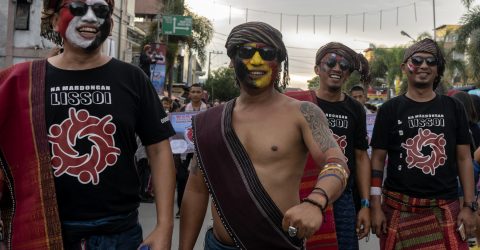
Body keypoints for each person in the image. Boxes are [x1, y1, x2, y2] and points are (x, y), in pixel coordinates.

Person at [0, 0, 177, 248]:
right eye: (78, 8)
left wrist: (165, 226)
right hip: (45, 233)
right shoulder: (20, 82)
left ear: (110, 22)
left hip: (119, 234)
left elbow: (159, 150)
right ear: (54, 19)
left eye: (101, 10)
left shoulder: (133, 78)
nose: (91, 18)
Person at [179, 21, 349, 249]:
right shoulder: (210, 122)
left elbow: (337, 163)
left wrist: (315, 201)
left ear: (278, 63)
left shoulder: (303, 113)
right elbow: (196, 189)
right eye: (246, 52)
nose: (257, 61)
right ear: (232, 60)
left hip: (276, 242)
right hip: (218, 245)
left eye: (267, 53)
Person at [370, 38, 477, 250]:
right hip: (397, 208)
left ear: (438, 70)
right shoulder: (389, 109)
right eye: (416, 60)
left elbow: (464, 158)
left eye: (431, 61)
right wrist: (375, 205)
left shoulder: (453, 107)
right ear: (404, 67)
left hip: (445, 207)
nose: (424, 66)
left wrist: (469, 206)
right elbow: (377, 160)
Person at [311, 42, 371, 250]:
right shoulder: (302, 105)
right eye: (330, 62)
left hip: (342, 198)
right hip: (304, 191)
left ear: (348, 74)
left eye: (344, 65)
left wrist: (365, 205)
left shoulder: (355, 109)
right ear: (317, 69)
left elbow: (362, 157)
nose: (337, 68)